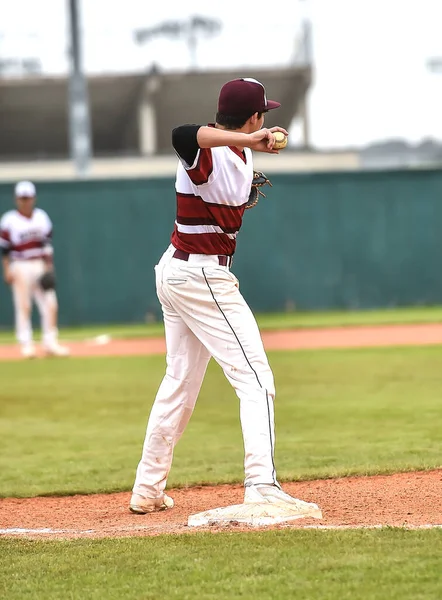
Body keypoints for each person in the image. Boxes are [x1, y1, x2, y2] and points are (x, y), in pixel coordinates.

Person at [130, 78, 320, 519]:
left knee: (179, 384)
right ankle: (262, 485)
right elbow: (182, 132)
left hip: (179, 271)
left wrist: (249, 142)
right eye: (263, 115)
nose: (265, 121)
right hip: (201, 277)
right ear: (253, 118)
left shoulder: (233, 151)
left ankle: (147, 488)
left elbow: (212, 145)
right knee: (255, 379)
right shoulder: (211, 149)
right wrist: (249, 138)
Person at [0, 180, 69, 358]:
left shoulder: (41, 217)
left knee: (50, 303)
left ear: (33, 198)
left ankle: (50, 342)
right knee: (23, 305)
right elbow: (5, 249)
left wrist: (49, 267)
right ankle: (26, 344)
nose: (25, 201)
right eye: (22, 198)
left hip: (39, 263)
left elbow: (46, 245)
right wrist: (6, 269)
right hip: (20, 264)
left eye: (28, 198)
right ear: (16, 199)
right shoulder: (9, 220)